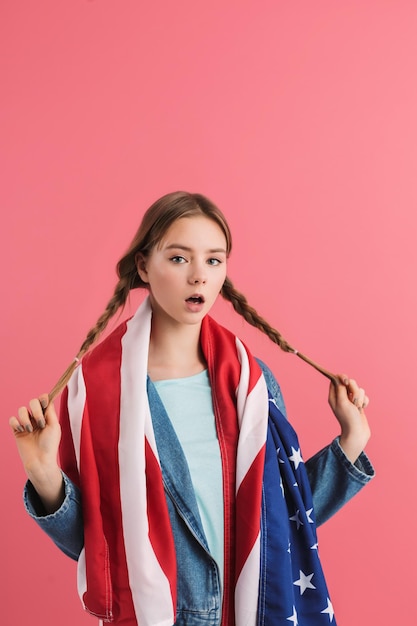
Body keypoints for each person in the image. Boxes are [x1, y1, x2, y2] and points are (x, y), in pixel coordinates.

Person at [10, 191, 374, 626]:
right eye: (180, 259)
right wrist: (44, 475)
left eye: (213, 260)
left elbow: (284, 518)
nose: (199, 276)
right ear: (144, 266)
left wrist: (351, 443)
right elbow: (94, 547)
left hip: (255, 613)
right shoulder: (96, 391)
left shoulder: (253, 386)